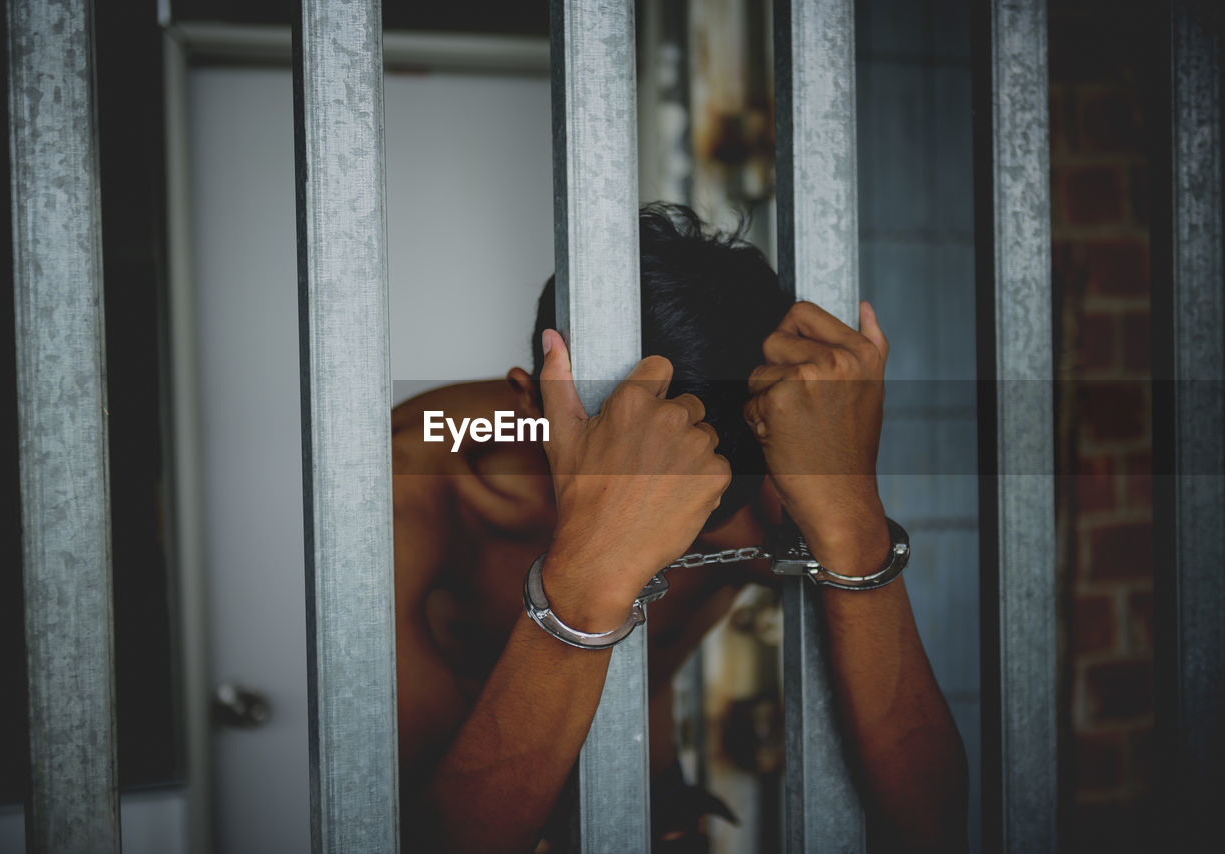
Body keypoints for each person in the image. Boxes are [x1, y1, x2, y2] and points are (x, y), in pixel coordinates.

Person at [391, 204, 968, 852]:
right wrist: (593, 566)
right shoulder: (423, 472)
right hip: (467, 782)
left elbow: (930, 830)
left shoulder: (766, 489)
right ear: (530, 401)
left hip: (650, 796)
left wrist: (851, 510)